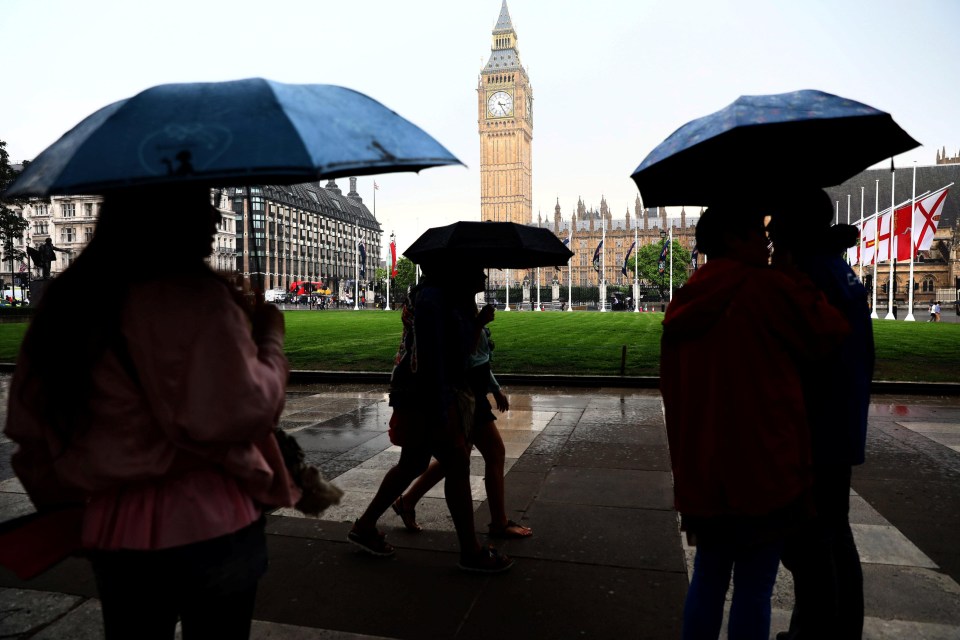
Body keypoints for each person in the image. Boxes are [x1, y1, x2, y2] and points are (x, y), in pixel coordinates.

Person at [5, 185, 299, 640]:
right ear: (168, 217)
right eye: (199, 204)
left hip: (116, 527)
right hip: (214, 520)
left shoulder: (66, 305)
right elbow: (250, 410)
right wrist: (269, 339)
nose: (214, 219)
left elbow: (31, 435)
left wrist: (70, 509)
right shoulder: (199, 297)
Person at [660, 204, 849, 640]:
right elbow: (829, 331)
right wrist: (795, 276)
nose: (766, 241)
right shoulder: (767, 288)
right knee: (754, 587)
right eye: (753, 233)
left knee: (707, 579)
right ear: (730, 238)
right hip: (763, 463)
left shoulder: (685, 298)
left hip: (705, 465)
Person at [348, 266, 513, 573]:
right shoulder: (435, 301)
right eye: (477, 271)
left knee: (413, 463)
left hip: (420, 392)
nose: (484, 277)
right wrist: (441, 408)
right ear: (457, 273)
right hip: (428, 394)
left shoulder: (437, 298)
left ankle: (366, 526)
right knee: (457, 463)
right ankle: (471, 552)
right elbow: (446, 356)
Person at [768, 191, 875, 640]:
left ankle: (816, 634)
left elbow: (800, 353)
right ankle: (839, 629)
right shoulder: (836, 267)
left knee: (812, 543)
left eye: (776, 226)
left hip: (818, 428)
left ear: (796, 228)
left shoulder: (811, 275)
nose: (769, 233)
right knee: (834, 535)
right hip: (840, 422)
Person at [391, 299, 533, 539]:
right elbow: (462, 355)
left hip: (470, 392)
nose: (483, 279)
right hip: (465, 395)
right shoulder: (455, 310)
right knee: (492, 453)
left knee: (454, 459)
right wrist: (479, 322)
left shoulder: (465, 308)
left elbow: (479, 358)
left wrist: (495, 387)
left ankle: (407, 502)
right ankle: (497, 524)